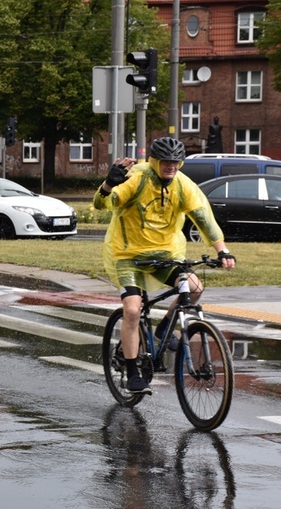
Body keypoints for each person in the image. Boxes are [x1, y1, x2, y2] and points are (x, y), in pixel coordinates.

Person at [93, 137, 236, 395]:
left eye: (175, 162)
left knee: (193, 288)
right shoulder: (137, 179)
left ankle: (162, 328)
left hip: (166, 256)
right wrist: (108, 184)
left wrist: (222, 250)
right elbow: (102, 204)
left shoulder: (183, 185)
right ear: (155, 161)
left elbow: (203, 218)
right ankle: (133, 372)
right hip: (128, 257)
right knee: (133, 310)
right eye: (165, 162)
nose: (171, 166)